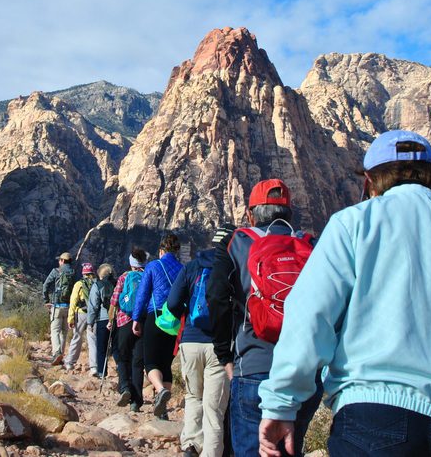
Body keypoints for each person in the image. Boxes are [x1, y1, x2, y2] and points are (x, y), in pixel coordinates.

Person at [258, 130, 431, 457]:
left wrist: (282, 402)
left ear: (369, 180)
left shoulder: (353, 222)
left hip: (375, 414)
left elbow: (311, 315)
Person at [206, 179, 322, 457]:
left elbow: (217, 297)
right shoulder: (311, 244)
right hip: (304, 372)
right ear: (290, 213)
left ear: (250, 214)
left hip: (254, 367)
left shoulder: (238, 242)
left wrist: (225, 355)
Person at [167, 231, 232, 457]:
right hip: (220, 345)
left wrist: (186, 314)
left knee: (194, 396)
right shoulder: (233, 267)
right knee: (214, 407)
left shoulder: (192, 266)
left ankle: (191, 446)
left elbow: (173, 302)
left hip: (190, 341)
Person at [132, 233, 183, 419]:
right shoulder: (182, 268)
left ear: (161, 250)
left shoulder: (153, 266)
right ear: (177, 250)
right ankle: (163, 411)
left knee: (151, 362)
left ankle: (160, 390)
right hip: (174, 320)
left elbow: (143, 294)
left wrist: (136, 318)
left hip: (155, 316)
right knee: (166, 363)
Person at [109, 247, 148, 412]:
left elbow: (115, 299)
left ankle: (125, 387)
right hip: (143, 323)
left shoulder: (124, 277)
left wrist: (111, 320)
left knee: (123, 357)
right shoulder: (148, 275)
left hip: (124, 322)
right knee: (138, 362)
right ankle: (136, 402)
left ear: (131, 262)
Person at [42, 251, 75, 366]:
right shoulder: (74, 273)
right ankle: (60, 355)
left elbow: (45, 285)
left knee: (55, 330)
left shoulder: (56, 271)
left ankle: (57, 353)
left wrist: (46, 301)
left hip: (57, 306)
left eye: (59, 260)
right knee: (64, 332)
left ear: (62, 261)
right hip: (69, 307)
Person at [64, 262, 96, 373]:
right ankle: (94, 367)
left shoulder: (79, 284)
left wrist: (70, 318)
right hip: (94, 315)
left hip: (81, 314)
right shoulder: (96, 283)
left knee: (77, 338)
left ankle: (70, 362)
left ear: (83, 273)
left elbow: (73, 302)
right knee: (92, 340)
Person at [87, 262, 116, 378]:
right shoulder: (118, 283)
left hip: (102, 319)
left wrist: (90, 321)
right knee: (116, 347)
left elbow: (93, 306)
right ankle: (122, 370)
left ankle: (101, 372)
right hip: (117, 319)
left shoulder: (97, 285)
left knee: (101, 347)